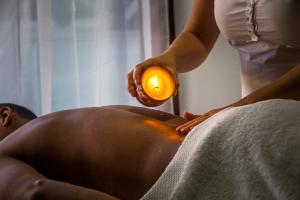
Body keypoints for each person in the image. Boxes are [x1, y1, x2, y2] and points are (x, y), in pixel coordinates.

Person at [127, 0, 300, 135]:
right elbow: (198, 36)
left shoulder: (237, 112)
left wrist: (234, 110)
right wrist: (168, 59)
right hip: (249, 121)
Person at [0, 103, 186, 200]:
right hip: (205, 136)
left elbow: (36, 194)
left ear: (4, 115)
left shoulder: (3, 154)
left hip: (186, 173)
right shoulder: (96, 113)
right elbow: (176, 120)